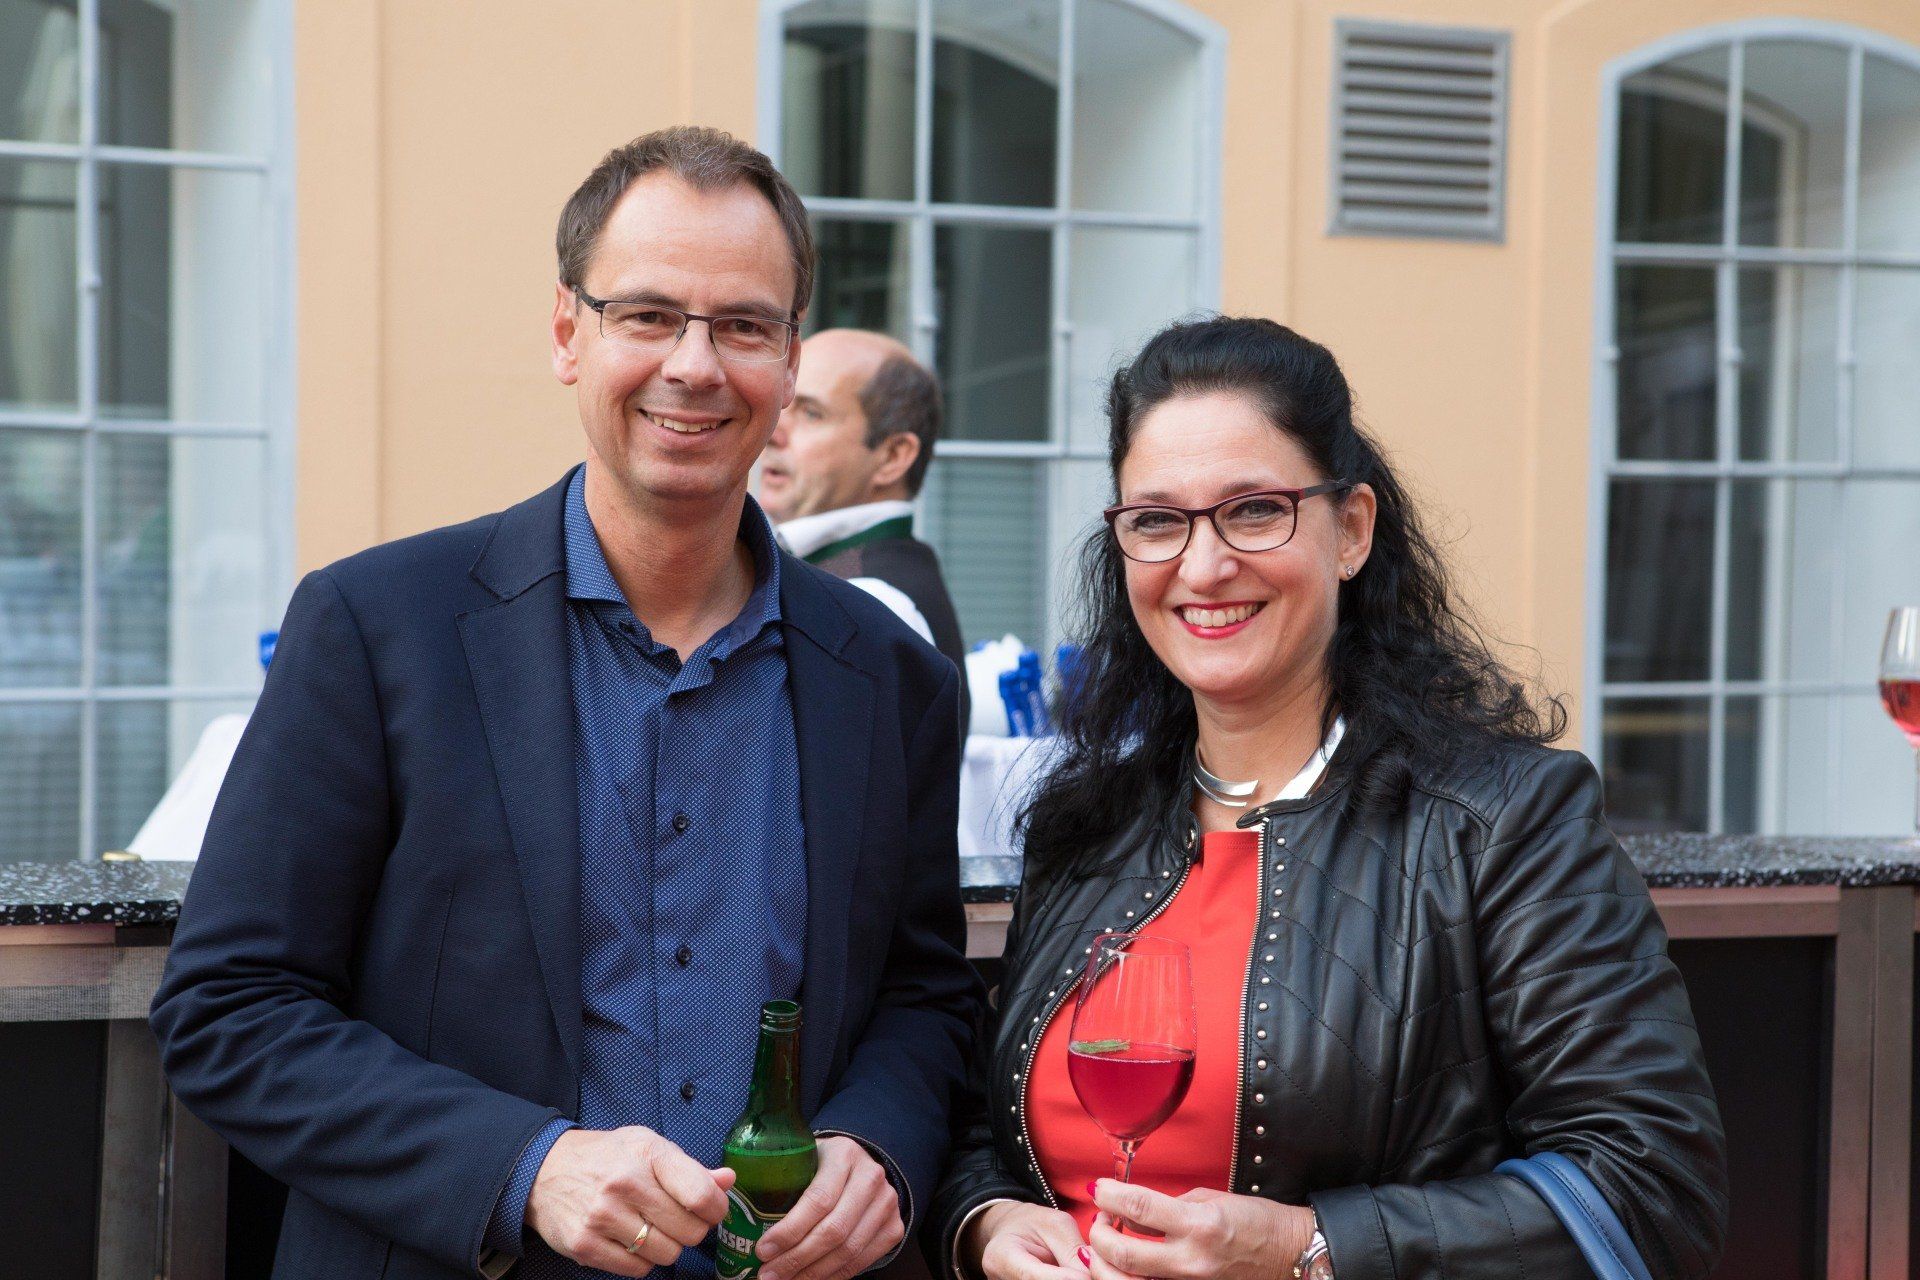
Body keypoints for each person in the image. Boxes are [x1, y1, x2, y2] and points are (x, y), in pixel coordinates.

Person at [150, 126, 981, 1280]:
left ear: (790, 365)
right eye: (647, 314)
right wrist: (524, 1162)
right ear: (566, 334)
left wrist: (878, 1147)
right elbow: (229, 1007)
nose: (695, 364)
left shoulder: (892, 678)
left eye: (743, 324)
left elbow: (924, 995)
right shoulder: (377, 625)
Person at [928, 317, 1727, 1280]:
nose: (1203, 565)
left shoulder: (1503, 820)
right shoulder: (1086, 824)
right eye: (1157, 520)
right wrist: (987, 1223)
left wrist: (1311, 1247)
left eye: (1255, 510)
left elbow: (1651, 1186)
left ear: (1351, 529)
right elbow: (985, 1125)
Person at [759, 329, 968, 688]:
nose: (773, 430)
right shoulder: (850, 582)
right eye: (782, 404)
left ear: (893, 457)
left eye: (811, 413)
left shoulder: (871, 602)